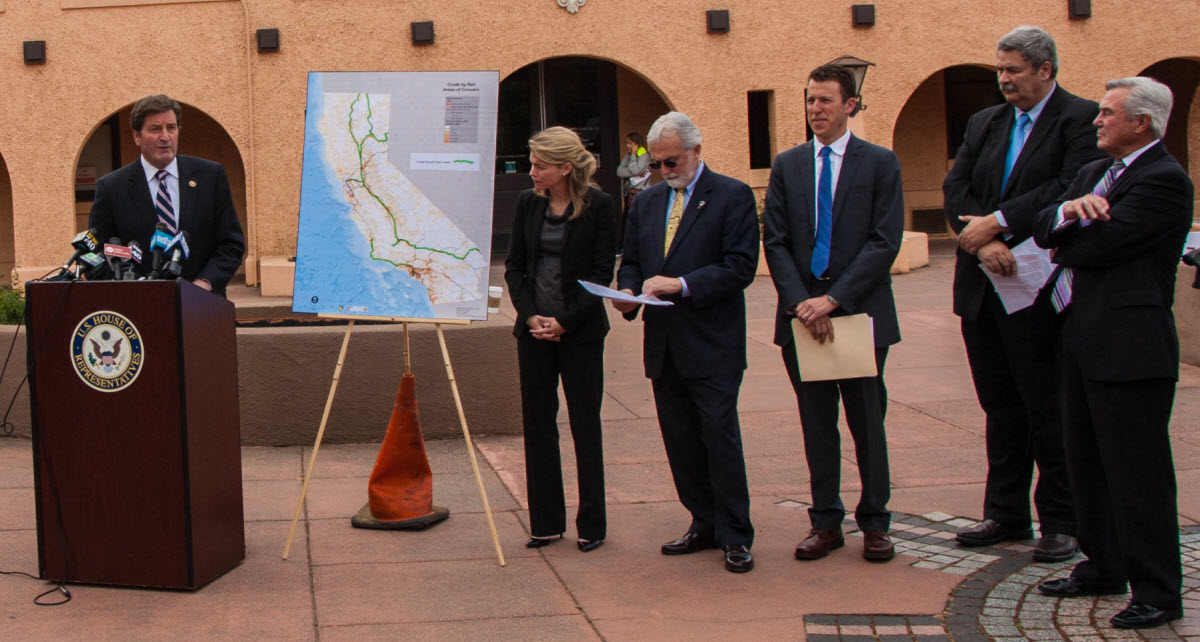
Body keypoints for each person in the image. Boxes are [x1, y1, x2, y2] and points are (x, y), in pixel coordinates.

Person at [1034, 77, 1191, 630]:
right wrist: (1070, 213)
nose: (1096, 121)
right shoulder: (1094, 172)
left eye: (1107, 113)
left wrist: (1067, 227)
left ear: (1141, 122)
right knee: (1086, 461)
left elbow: (1097, 247)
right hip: (1080, 337)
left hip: (1131, 349)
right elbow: (1042, 225)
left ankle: (1158, 591)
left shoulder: (1164, 181)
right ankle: (1103, 566)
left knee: (1137, 473)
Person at [942, 26, 1104, 560]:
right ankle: (1005, 513)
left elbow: (1068, 187)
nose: (1004, 79)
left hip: (1037, 287)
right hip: (983, 287)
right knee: (1000, 406)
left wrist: (999, 221)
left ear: (1045, 70)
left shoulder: (1079, 119)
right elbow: (955, 189)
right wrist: (981, 243)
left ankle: (1060, 517)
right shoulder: (985, 122)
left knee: (1047, 405)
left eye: (1013, 70)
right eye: (1000, 69)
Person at [762, 64, 904, 562]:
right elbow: (775, 240)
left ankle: (875, 523)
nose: (815, 110)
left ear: (850, 106)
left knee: (867, 424)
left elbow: (884, 241)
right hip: (803, 318)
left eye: (825, 101)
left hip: (858, 315)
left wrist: (834, 299)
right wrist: (804, 302)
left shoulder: (880, 163)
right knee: (816, 425)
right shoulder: (789, 164)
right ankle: (825, 523)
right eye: (810, 101)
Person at [612, 112, 759, 573]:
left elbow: (740, 267)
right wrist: (627, 294)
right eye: (657, 164)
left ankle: (735, 533)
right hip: (664, 345)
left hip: (712, 343)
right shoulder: (648, 202)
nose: (665, 170)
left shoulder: (731, 196)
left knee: (719, 437)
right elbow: (632, 260)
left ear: (697, 151)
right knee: (679, 439)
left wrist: (683, 284)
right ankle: (703, 521)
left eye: (672, 160)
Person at [504, 126, 616, 553]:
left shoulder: (600, 206)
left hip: (581, 332)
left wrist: (564, 322)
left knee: (586, 426)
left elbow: (601, 275)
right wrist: (531, 315)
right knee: (538, 425)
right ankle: (546, 523)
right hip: (533, 333)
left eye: (539, 166)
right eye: (531, 164)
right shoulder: (526, 204)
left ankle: (592, 525)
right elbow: (515, 267)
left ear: (566, 168)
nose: (531, 172)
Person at [88, 94, 246, 296]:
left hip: (203, 306)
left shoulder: (210, 176)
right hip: (139, 309)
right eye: (155, 129)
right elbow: (95, 255)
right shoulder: (111, 187)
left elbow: (231, 243)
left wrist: (204, 283)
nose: (165, 137)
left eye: (171, 127)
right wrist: (125, 293)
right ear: (137, 136)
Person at [616, 132, 652, 215]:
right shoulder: (626, 157)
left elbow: (636, 170)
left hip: (640, 191)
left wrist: (633, 155)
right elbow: (619, 172)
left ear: (636, 144)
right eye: (626, 143)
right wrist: (634, 172)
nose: (627, 146)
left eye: (630, 143)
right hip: (628, 193)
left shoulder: (644, 156)